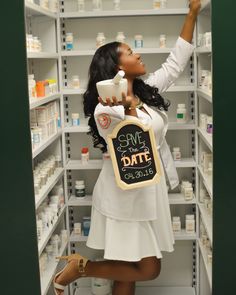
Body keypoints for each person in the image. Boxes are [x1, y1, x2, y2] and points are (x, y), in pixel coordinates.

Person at [54, 1, 201, 294]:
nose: (139, 54)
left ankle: (80, 267)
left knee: (127, 273)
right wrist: (129, 109)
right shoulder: (104, 109)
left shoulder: (145, 93)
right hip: (124, 197)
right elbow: (134, 142)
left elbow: (175, 64)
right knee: (148, 267)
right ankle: (80, 268)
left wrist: (192, 13)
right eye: (132, 53)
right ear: (119, 68)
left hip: (149, 189)